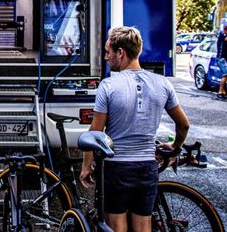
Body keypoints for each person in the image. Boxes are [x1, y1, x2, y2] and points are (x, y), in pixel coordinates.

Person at [80, 26, 190, 232]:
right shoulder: (163, 83)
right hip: (147, 167)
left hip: (116, 168)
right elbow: (183, 124)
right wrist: (175, 147)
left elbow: (95, 134)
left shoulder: (108, 85)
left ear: (120, 53)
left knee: (116, 227)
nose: (106, 57)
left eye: (108, 52)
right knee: (142, 227)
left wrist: (86, 167)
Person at [216, 24, 227, 99]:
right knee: (226, 74)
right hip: (221, 58)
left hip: (224, 58)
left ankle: (223, 92)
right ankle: (220, 92)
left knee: (225, 75)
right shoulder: (222, 34)